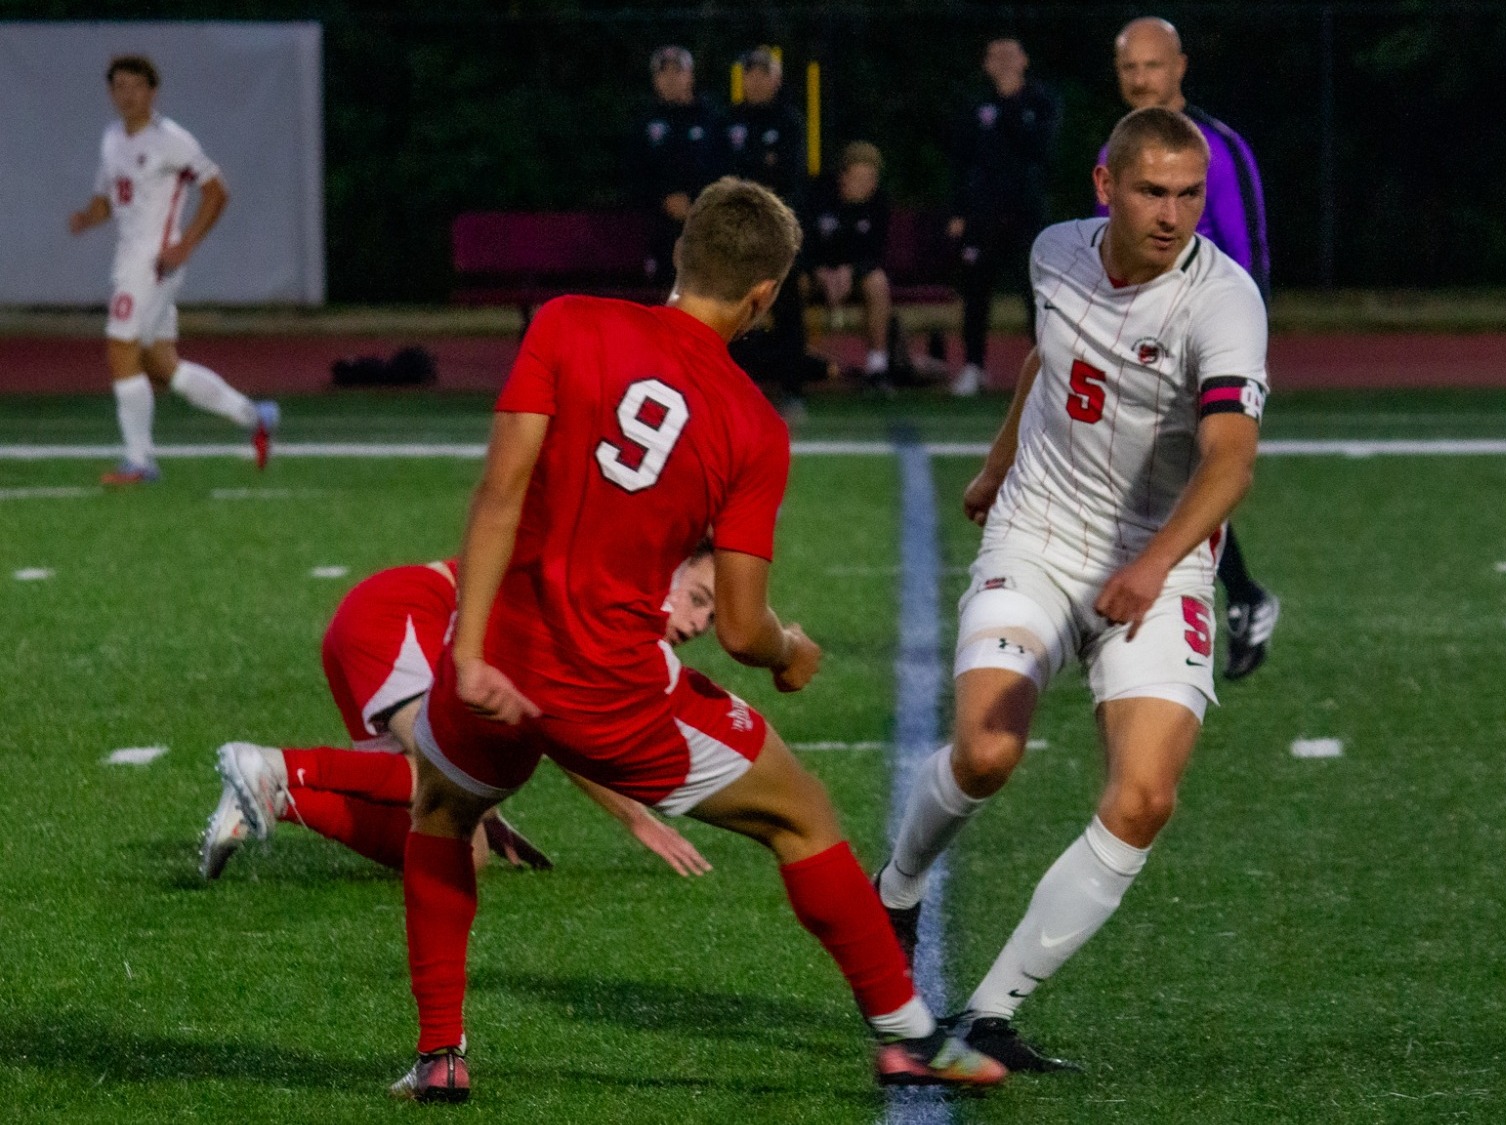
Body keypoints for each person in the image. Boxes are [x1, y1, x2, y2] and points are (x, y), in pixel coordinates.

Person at [388, 178, 1006, 1102]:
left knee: (441, 811)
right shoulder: (753, 424)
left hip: (501, 658)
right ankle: (907, 1032)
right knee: (801, 813)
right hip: (612, 691)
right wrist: (791, 649)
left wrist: (468, 652)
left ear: (682, 257)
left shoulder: (563, 322)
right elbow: (746, 623)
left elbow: (500, 491)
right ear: (763, 297)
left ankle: (440, 1053)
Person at [877, 108, 1267, 1073]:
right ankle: (896, 885)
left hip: (1160, 561)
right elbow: (1050, 358)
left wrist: (1150, 563)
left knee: (1143, 796)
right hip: (1040, 536)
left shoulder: (1224, 302)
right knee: (988, 751)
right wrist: (995, 462)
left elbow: (1229, 465)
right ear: (1105, 187)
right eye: (1153, 191)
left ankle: (987, 1013)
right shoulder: (1055, 252)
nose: (1174, 215)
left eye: (1190, 195)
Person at [197, 550, 721, 880]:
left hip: (380, 625)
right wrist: (637, 819)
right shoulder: (607, 602)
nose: (699, 623)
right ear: (665, 572)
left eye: (713, 616)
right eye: (697, 598)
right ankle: (275, 765)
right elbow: (563, 733)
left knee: (458, 853)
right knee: (443, 776)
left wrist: (483, 810)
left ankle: (279, 797)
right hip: (397, 617)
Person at [1109, 16, 1280, 679]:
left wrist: (1243, 344)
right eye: (1129, 68)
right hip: (1133, 340)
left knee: (1182, 473)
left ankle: (1226, 599)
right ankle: (1237, 597)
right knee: (1146, 475)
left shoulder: (1219, 147)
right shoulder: (1115, 148)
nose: (1141, 79)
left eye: (1152, 66)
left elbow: (1249, 248)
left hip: (1200, 341)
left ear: (1179, 66)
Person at [66, 54, 278, 486]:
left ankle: (140, 461)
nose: (127, 95)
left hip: (153, 262)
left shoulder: (172, 140)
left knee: (120, 350)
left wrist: (185, 244)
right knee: (164, 366)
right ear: (111, 93)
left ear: (152, 92)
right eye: (119, 87)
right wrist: (88, 217)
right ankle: (254, 415)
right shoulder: (111, 138)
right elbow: (110, 198)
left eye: (136, 87)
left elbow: (217, 191)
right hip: (129, 259)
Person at [946, 37, 1060, 398]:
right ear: (986, 64)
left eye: (1011, 54)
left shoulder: (1041, 101)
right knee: (976, 290)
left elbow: (1040, 150)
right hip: (982, 214)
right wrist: (958, 210)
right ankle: (973, 367)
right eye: (996, 55)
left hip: (1025, 212)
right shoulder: (974, 103)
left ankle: (1046, 368)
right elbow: (960, 159)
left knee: (1035, 292)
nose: (1004, 61)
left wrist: (1012, 104)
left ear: (1024, 59)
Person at [720, 48, 812, 417]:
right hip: (736, 231)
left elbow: (789, 179)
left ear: (776, 79)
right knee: (734, 307)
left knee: (787, 307)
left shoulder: (789, 122)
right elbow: (721, 173)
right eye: (750, 74)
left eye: (763, 74)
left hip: (776, 231)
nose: (756, 81)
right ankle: (734, 386)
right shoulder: (728, 121)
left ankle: (793, 390)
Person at [800, 142, 894, 380]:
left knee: (878, 282)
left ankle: (877, 368)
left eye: (871, 178)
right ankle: (796, 360)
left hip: (855, 277)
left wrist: (850, 271)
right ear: (843, 177)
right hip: (816, 274)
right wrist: (819, 271)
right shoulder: (818, 195)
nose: (867, 185)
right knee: (794, 284)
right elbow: (800, 244)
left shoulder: (879, 203)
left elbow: (876, 252)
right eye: (860, 178)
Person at [633, 45, 721, 291]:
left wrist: (695, 201)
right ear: (655, 79)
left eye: (677, 71)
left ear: (690, 76)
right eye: (664, 72)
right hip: (659, 226)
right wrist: (664, 200)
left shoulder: (711, 119)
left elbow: (721, 167)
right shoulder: (645, 123)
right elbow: (636, 174)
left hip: (704, 222)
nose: (671, 78)